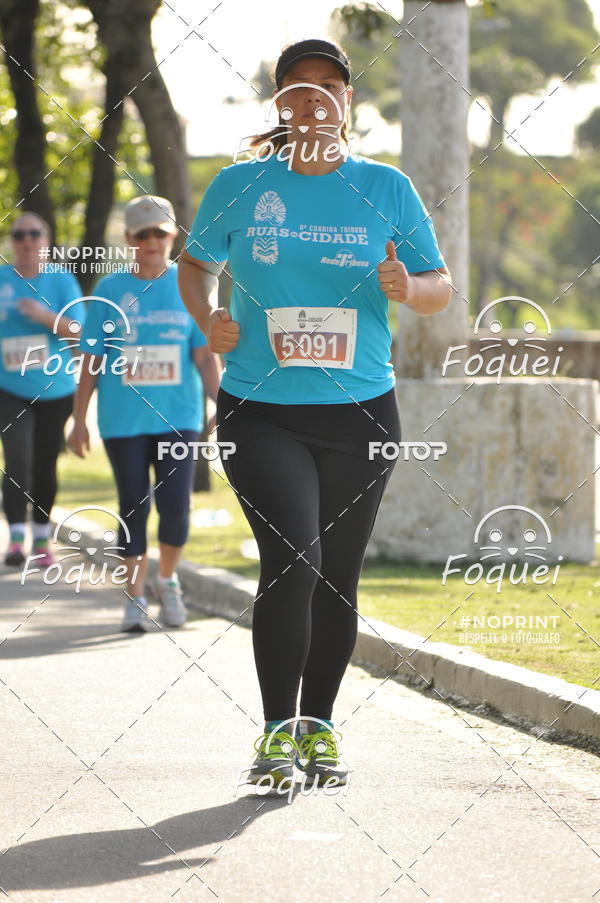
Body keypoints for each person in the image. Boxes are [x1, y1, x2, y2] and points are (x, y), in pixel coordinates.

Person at [178, 39, 452, 789]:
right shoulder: (240, 186)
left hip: (361, 412)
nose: (312, 102)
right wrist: (208, 317)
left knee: (336, 575)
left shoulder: (386, 188)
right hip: (259, 409)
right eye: (298, 90)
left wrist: (406, 287)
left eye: (327, 88)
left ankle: (320, 725)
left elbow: (440, 285)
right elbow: (194, 263)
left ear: (347, 103)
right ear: (280, 106)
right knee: (294, 557)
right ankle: (275, 730)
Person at [67, 195, 221, 632]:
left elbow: (205, 358)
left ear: (173, 236)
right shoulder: (110, 291)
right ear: (128, 239)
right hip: (123, 420)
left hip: (179, 417)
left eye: (160, 232)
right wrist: (79, 419)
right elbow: (91, 361)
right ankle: (134, 596)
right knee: (132, 505)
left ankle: (167, 581)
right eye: (143, 234)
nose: (152, 241)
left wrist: (223, 406)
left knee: (176, 507)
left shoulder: (190, 286)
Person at [0, 212, 86, 567]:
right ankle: (16, 538)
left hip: (55, 388)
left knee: (45, 463)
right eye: (20, 234)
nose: (27, 241)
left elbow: (81, 331)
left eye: (34, 233)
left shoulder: (61, 281)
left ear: (45, 241)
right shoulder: (2, 278)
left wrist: (44, 315)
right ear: (12, 241)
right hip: (8, 386)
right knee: (18, 457)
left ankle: (41, 539)